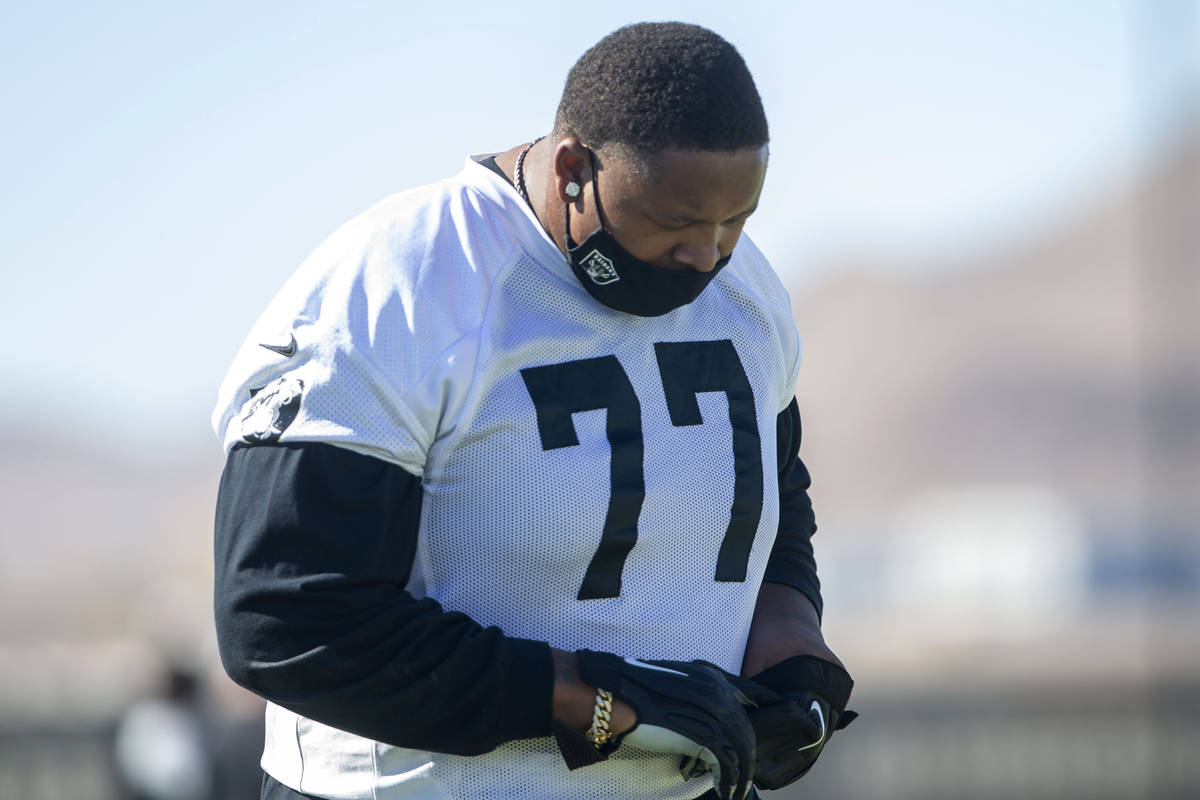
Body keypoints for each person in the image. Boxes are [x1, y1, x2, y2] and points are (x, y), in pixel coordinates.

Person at [212, 21, 855, 800]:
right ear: (573, 166)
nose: (707, 255)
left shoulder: (747, 291)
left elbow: (773, 507)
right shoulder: (398, 285)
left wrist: (792, 651)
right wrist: (598, 702)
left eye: (737, 219)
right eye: (678, 222)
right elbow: (286, 619)